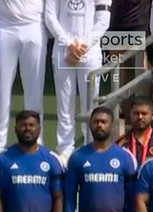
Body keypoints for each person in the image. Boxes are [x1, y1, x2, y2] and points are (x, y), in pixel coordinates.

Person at [45, 0, 111, 163]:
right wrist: (68, 44)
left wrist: (82, 47)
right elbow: (50, 17)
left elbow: (103, 20)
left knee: (90, 105)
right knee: (64, 104)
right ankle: (65, 150)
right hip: (62, 52)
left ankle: (90, 145)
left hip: (90, 53)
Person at [0, 0, 47, 156]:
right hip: (4, 27)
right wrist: (2, 11)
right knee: (0, 90)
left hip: (34, 26)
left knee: (35, 90)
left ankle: (37, 139)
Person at [115, 96, 153, 167]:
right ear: (130, 114)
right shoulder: (119, 143)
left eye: (144, 113)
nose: (140, 117)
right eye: (136, 113)